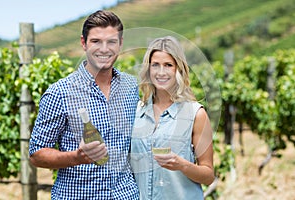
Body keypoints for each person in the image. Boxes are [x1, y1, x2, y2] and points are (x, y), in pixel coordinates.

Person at [29, 10, 140, 199]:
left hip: (126, 194)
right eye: (96, 41)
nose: (104, 49)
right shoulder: (60, 92)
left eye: (111, 42)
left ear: (120, 44)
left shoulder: (131, 87)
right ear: (84, 43)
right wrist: (75, 157)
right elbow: (36, 154)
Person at [130, 36, 214, 199]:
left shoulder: (195, 114)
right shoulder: (136, 112)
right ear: (148, 69)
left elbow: (208, 175)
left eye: (168, 65)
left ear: (178, 69)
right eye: (155, 65)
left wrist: (182, 165)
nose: (161, 72)